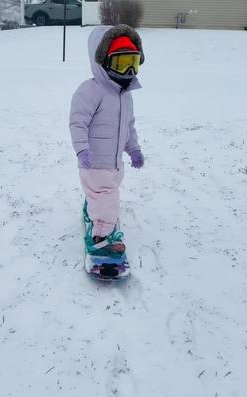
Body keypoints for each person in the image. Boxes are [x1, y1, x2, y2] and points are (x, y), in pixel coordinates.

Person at [69, 24, 145, 256]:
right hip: (94, 163)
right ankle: (102, 237)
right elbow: (77, 123)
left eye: (133, 63)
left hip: (113, 164)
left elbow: (128, 127)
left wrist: (134, 150)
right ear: (103, 61)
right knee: (108, 199)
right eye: (122, 64)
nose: (129, 72)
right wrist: (82, 150)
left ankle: (95, 210)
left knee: (104, 194)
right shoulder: (90, 91)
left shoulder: (125, 96)